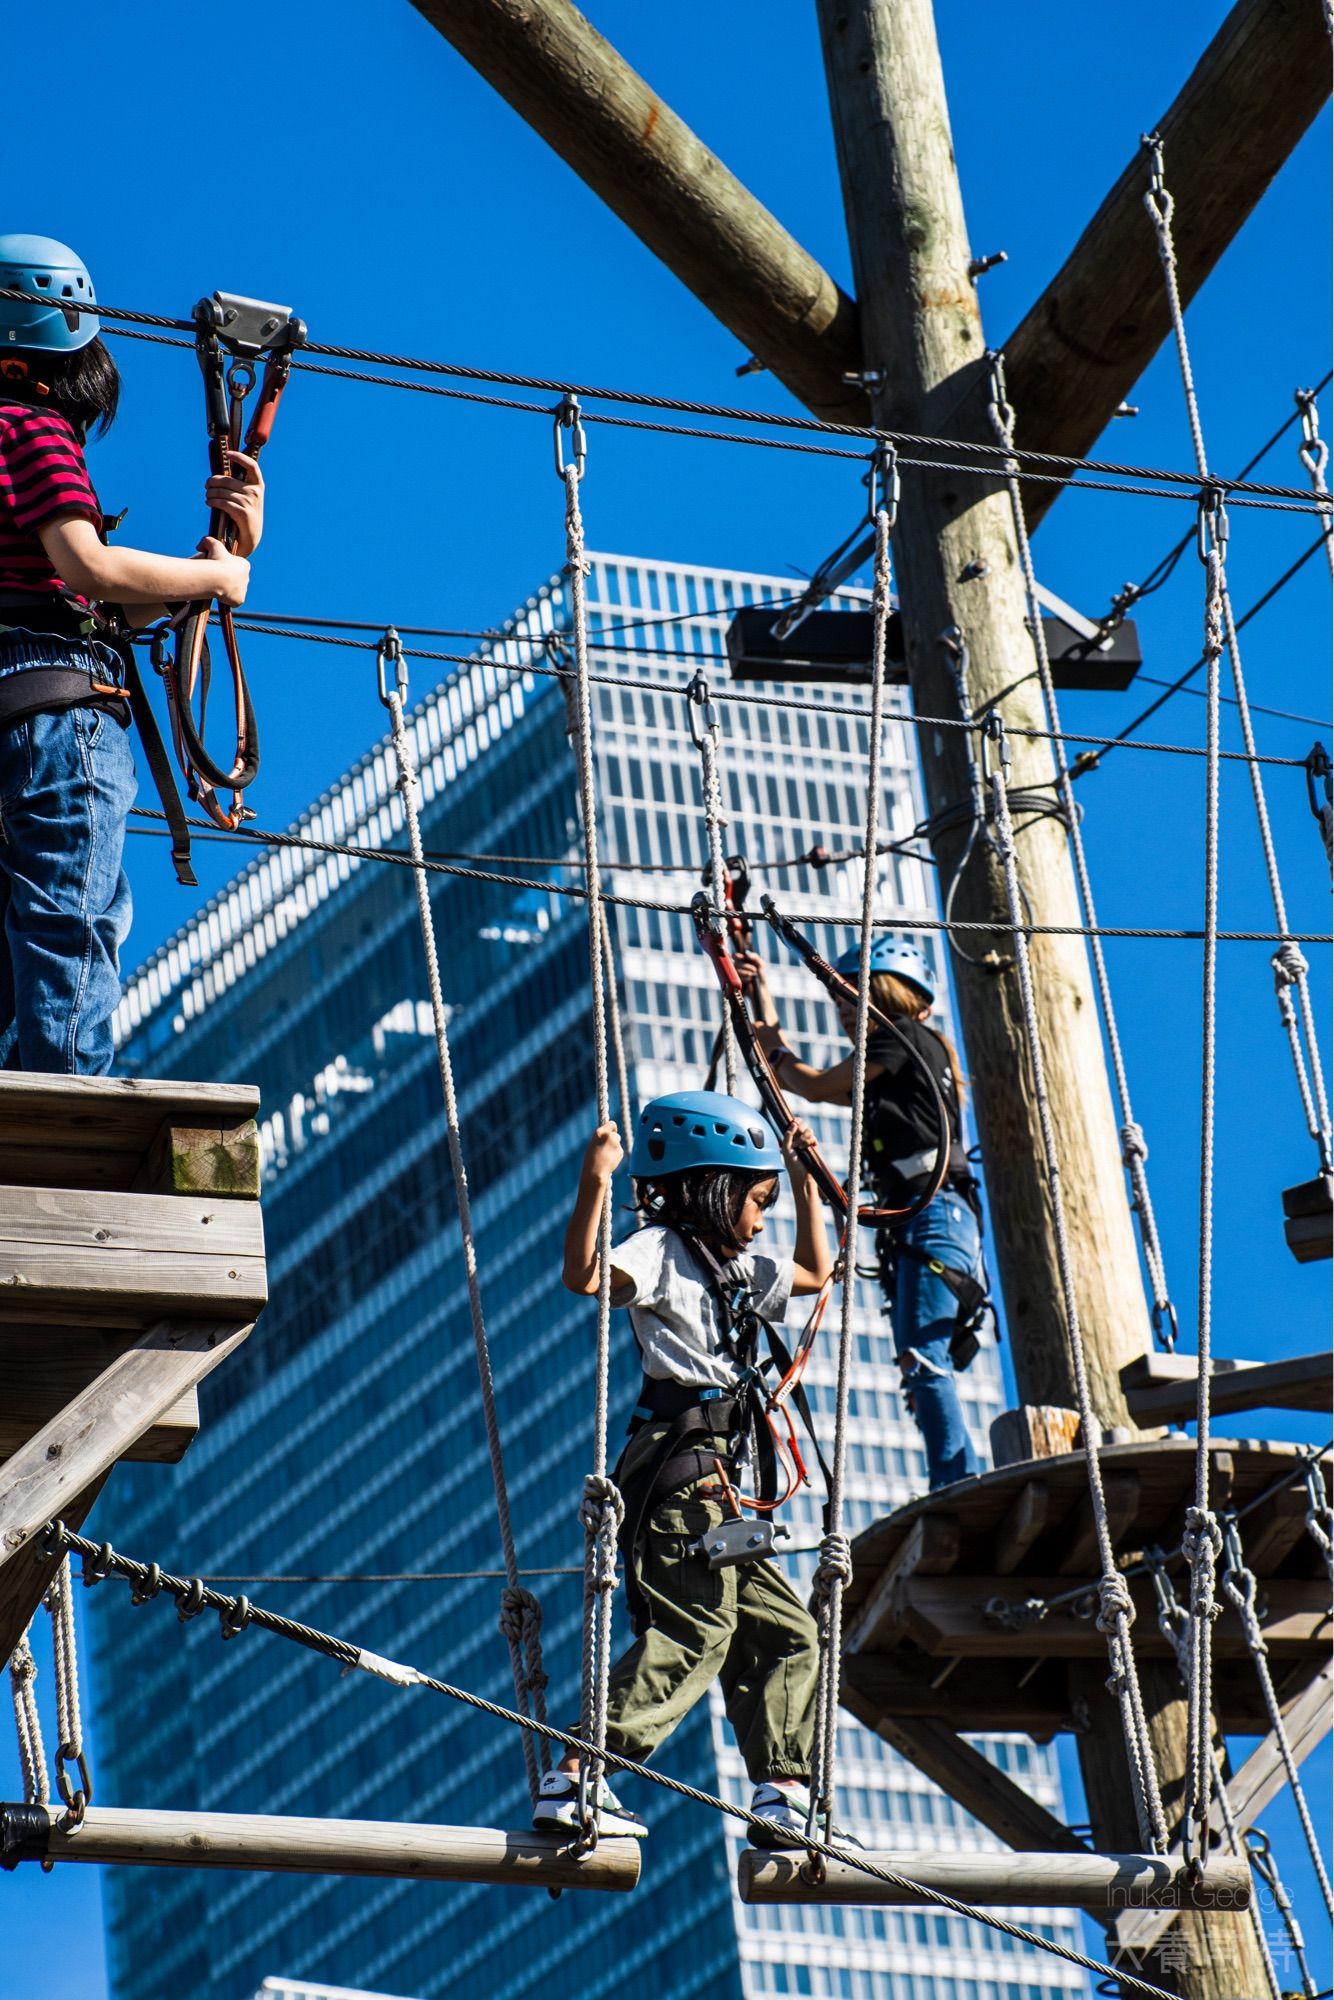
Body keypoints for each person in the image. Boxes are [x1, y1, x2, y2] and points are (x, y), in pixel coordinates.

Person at [539, 1089, 836, 1844]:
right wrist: (595, 1180)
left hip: (723, 1491)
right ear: (714, 1187)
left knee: (790, 1631)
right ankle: (579, 1771)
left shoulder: (734, 1267)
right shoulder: (661, 1250)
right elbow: (585, 1278)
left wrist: (802, 1177)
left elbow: (814, 1271)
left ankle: (781, 1792)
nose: (761, 1219)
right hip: (683, 1481)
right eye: (755, 1200)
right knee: (698, 1629)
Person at [0, 233, 260, 1074]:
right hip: (54, 715)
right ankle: (65, 1096)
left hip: (16, 689)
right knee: (73, 914)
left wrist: (212, 562)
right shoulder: (31, 428)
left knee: (18, 930)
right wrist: (216, 580)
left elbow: (92, 591)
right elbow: (92, 568)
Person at [736, 936, 985, 1491]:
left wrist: (767, 1037)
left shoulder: (900, 1040)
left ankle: (954, 1484)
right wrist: (762, 999)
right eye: (839, 1004)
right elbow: (802, 1078)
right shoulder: (911, 1057)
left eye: (852, 1000)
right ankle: (954, 1477)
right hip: (931, 1221)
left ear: (887, 997)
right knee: (919, 1363)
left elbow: (814, 1085)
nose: (844, 1013)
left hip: (933, 1219)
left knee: (923, 1360)